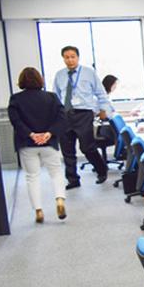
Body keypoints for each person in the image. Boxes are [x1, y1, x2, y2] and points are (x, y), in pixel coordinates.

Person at [8, 67, 67, 223]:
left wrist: (31, 134)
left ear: (21, 81)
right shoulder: (52, 97)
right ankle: (60, 200)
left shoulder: (16, 99)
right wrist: (49, 133)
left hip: (27, 143)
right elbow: (61, 118)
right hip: (49, 143)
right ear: (40, 80)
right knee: (56, 172)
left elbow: (15, 121)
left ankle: (38, 210)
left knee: (32, 176)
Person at [52, 45, 113, 188]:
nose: (70, 60)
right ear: (63, 59)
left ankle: (101, 170)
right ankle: (73, 180)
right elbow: (56, 96)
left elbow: (101, 93)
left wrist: (104, 109)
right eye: (67, 57)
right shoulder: (59, 75)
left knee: (87, 147)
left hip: (83, 114)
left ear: (78, 57)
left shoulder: (89, 72)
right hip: (65, 114)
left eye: (73, 57)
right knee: (67, 150)